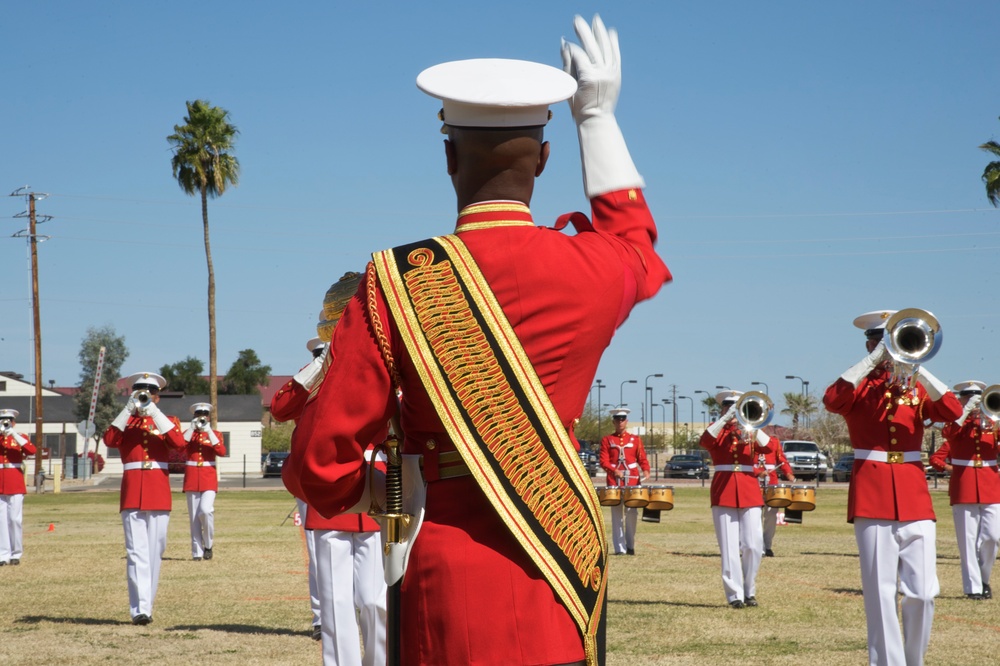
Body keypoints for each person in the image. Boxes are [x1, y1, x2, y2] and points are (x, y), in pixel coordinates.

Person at [284, 14, 670, 665]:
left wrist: (386, 492)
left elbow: (322, 461)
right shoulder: (595, 269)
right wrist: (597, 118)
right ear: (544, 159)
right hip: (559, 560)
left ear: (448, 157)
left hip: (446, 576)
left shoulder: (396, 281)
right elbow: (636, 241)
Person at [823, 310, 961, 666]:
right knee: (881, 594)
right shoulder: (860, 388)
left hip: (914, 496)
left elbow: (951, 409)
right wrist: (870, 362)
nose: (886, 349)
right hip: (872, 494)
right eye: (878, 341)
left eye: (891, 340)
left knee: (925, 593)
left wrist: (918, 361)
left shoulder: (915, 387)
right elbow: (832, 399)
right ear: (870, 344)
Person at [274, 337, 388, 663]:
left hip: (370, 491)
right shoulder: (311, 379)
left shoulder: (366, 371)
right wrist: (319, 367)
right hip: (327, 497)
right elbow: (282, 409)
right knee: (336, 602)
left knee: (374, 600)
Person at [102, 372, 187, 625]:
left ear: (157, 397)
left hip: (158, 491)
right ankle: (141, 609)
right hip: (132, 492)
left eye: (149, 394)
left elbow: (178, 443)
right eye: (139, 393)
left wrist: (152, 411)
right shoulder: (124, 423)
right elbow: (109, 440)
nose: (144, 398)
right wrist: (128, 410)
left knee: (155, 550)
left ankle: (147, 602)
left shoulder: (167, 421)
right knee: (135, 552)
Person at [271, 337, 329, 641]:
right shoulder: (306, 383)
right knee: (319, 554)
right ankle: (322, 617)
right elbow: (280, 409)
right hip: (309, 479)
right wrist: (318, 367)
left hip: (355, 474)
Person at [700, 391, 776, 609]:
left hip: (748, 489)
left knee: (753, 544)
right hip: (723, 490)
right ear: (722, 409)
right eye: (728, 407)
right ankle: (735, 595)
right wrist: (724, 420)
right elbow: (704, 442)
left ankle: (749, 589)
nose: (732, 411)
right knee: (729, 546)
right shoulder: (717, 431)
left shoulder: (749, 432)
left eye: (736, 407)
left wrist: (751, 425)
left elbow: (770, 447)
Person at [928, 380, 1000, 601]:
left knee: (992, 537)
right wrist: (966, 409)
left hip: (991, 484)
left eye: (978, 397)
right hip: (965, 485)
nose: (975, 401)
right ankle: (973, 588)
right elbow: (949, 432)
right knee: (967, 540)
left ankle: (983, 578)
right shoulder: (955, 423)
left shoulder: (993, 425)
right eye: (969, 397)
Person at [598, 407, 650, 555]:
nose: (620, 422)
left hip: (633, 479)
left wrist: (646, 469)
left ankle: (630, 545)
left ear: (626, 421)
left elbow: (642, 458)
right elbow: (604, 461)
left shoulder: (635, 439)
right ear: (613, 422)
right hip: (614, 480)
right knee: (617, 515)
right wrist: (614, 471)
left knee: (632, 512)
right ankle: (620, 549)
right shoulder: (607, 440)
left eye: (622, 420)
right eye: (617, 420)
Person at [182, 402, 226, 561]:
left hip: (208, 477)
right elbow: (179, 446)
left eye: (204, 415)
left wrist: (209, 432)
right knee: (194, 518)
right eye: (198, 414)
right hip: (192, 477)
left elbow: (221, 451)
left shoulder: (215, 434)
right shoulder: (189, 434)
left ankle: (208, 544)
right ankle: (197, 552)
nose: (201, 417)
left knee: (206, 511)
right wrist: (191, 428)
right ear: (194, 417)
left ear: (208, 417)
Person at [0, 409, 36, 566]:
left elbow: (31, 451)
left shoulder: (20, 437)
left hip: (14, 479)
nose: (5, 423)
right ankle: (3, 554)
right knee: (1, 520)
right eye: (2, 420)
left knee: (15, 519)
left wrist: (13, 434)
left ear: (14, 422)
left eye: (8, 420)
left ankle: (16, 553)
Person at [757, 438, 795, 557]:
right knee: (754, 516)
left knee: (771, 515)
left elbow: (782, 460)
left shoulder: (773, 441)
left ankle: (767, 546)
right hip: (753, 482)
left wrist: (788, 473)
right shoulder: (747, 440)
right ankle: (757, 546)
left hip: (771, 484)